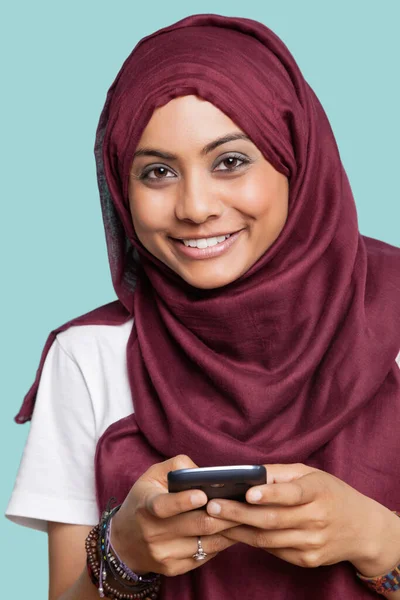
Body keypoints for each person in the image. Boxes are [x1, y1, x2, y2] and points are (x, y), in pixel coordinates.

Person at [5, 12, 400, 600]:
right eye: (158, 172)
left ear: (296, 159)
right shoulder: (88, 355)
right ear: (121, 187)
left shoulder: (393, 321)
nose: (194, 206)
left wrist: (377, 540)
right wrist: (127, 552)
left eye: (230, 161)